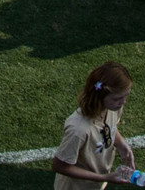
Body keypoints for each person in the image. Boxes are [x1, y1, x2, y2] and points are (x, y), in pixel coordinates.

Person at [51, 62, 138, 190]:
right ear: (99, 96)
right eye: (117, 98)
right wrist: (104, 178)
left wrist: (121, 144)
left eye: (126, 96)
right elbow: (59, 165)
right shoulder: (78, 130)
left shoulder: (112, 108)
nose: (123, 102)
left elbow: (109, 127)